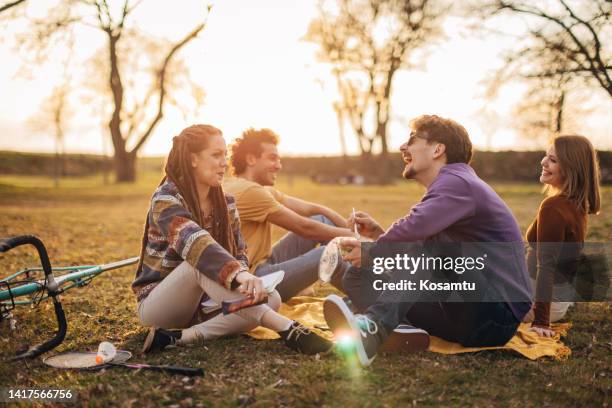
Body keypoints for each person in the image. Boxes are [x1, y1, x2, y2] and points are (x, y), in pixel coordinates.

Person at [323, 115, 533, 366]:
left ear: (438, 149)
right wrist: (379, 236)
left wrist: (374, 250)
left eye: (412, 139)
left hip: (495, 315)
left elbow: (418, 232)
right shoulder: (451, 186)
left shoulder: (459, 182)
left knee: (431, 247)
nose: (403, 147)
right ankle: (402, 330)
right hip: (460, 310)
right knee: (355, 276)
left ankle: (374, 328)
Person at [131, 124, 332, 355]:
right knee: (197, 263)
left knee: (272, 298)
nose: (223, 162)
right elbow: (195, 243)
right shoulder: (166, 199)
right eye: (216, 155)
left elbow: (239, 253)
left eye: (224, 155)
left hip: (205, 303)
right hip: (161, 305)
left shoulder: (226, 203)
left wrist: (243, 274)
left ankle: (181, 337)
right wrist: (239, 275)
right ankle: (287, 328)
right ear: (193, 159)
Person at [224, 128, 354, 300]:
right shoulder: (248, 192)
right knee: (329, 255)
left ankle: (374, 274)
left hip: (263, 263)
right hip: (252, 280)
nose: (278, 165)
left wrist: (349, 228)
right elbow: (305, 228)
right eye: (272, 158)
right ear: (251, 159)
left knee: (321, 219)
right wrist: (358, 238)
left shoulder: (257, 189)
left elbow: (311, 211)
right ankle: (375, 300)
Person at [523, 135, 601, 337]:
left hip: (537, 303)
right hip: (559, 299)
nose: (543, 162)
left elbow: (547, 266)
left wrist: (540, 321)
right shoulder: (577, 204)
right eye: (546, 156)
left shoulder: (553, 207)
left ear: (571, 170)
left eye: (553, 160)